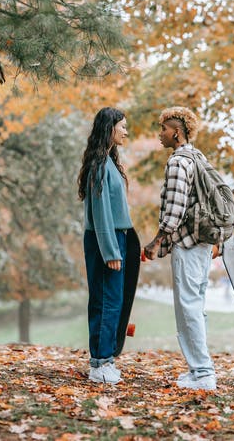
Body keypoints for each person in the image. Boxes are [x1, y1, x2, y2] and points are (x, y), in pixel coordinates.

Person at [144, 106, 217, 391]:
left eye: (163, 129)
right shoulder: (199, 157)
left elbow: (174, 210)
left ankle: (202, 373)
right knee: (196, 307)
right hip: (203, 243)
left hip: (187, 244)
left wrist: (157, 240)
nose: (160, 134)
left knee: (188, 307)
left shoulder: (178, 162)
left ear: (176, 132)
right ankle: (200, 370)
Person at [78, 107, 133, 385]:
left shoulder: (108, 161)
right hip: (105, 240)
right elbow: (101, 213)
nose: (125, 130)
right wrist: (111, 251)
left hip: (115, 238)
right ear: (109, 128)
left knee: (113, 302)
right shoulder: (100, 164)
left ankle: (107, 360)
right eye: (122, 126)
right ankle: (99, 364)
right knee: (105, 302)